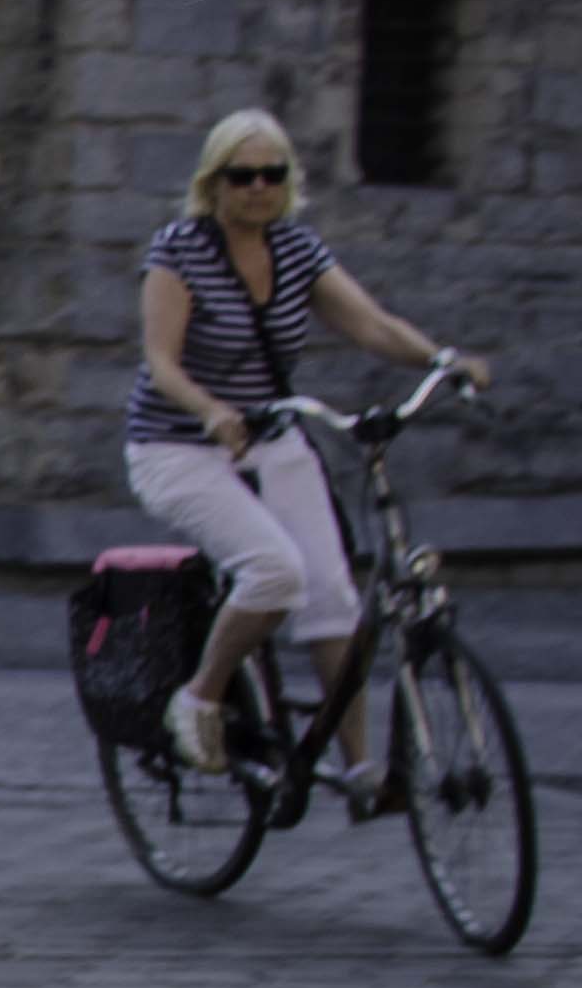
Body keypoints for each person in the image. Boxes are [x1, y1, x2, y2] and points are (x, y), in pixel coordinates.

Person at [129, 107, 490, 791]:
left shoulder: (296, 250)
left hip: (271, 438)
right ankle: (198, 699)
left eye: (272, 174)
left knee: (333, 597)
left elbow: (371, 325)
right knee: (274, 572)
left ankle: (358, 766)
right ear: (214, 181)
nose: (258, 188)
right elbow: (161, 362)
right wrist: (210, 411)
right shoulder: (179, 251)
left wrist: (442, 360)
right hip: (176, 447)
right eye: (242, 176)